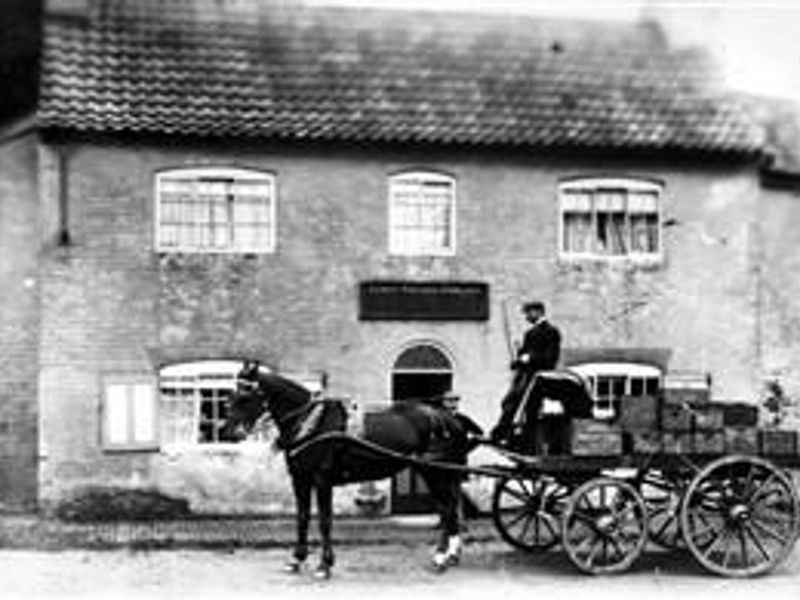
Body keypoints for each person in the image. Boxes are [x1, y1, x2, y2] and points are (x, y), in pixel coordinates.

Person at [490, 300, 562, 444]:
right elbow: (523, 355)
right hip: (525, 376)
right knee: (508, 402)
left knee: (526, 408)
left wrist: (528, 358)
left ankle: (505, 436)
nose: (526, 317)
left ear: (539, 312)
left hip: (540, 378)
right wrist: (517, 362)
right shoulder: (529, 333)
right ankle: (506, 435)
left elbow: (550, 359)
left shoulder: (551, 331)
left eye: (529, 313)